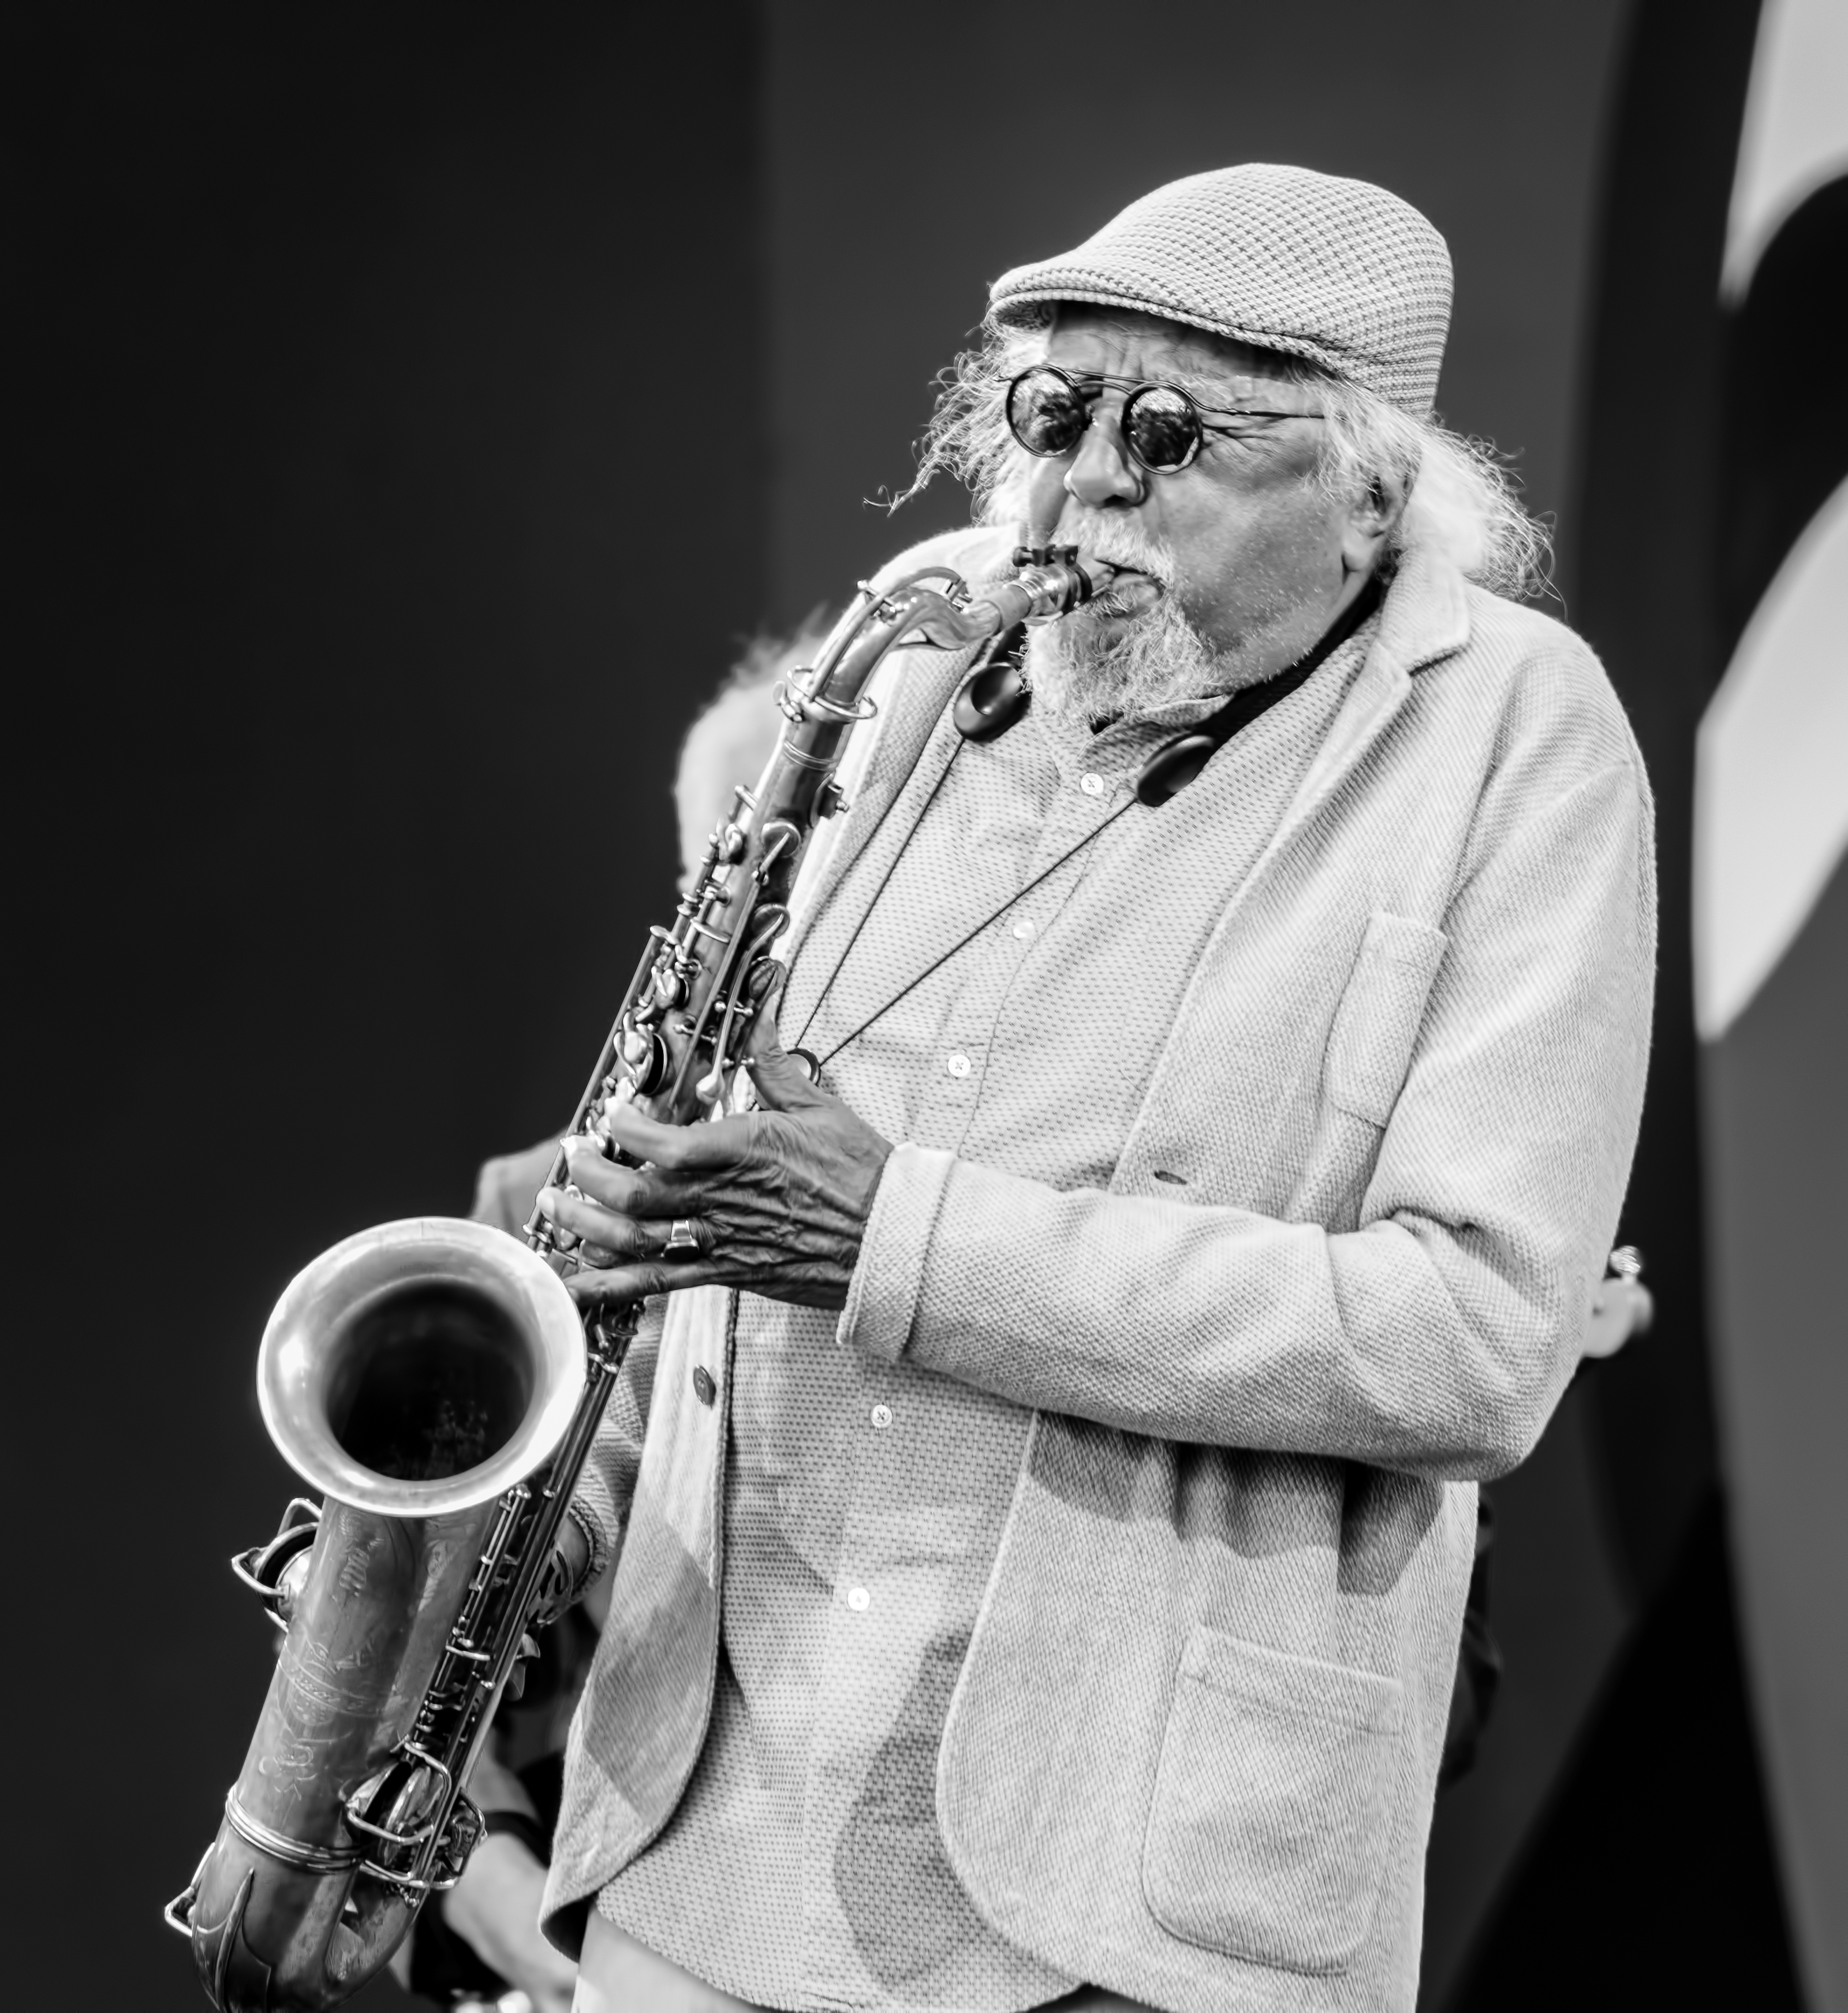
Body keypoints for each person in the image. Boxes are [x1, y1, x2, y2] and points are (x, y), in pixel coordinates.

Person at [531, 164, 1656, 2012]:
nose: (1080, 490)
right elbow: (712, 1181)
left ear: (1373, 487)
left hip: (1130, 1908)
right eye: (1048, 414)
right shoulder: (912, 639)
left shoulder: (1524, 736)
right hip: (698, 1858)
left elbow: (1477, 1335)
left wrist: (902, 1235)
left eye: (1170, 431)